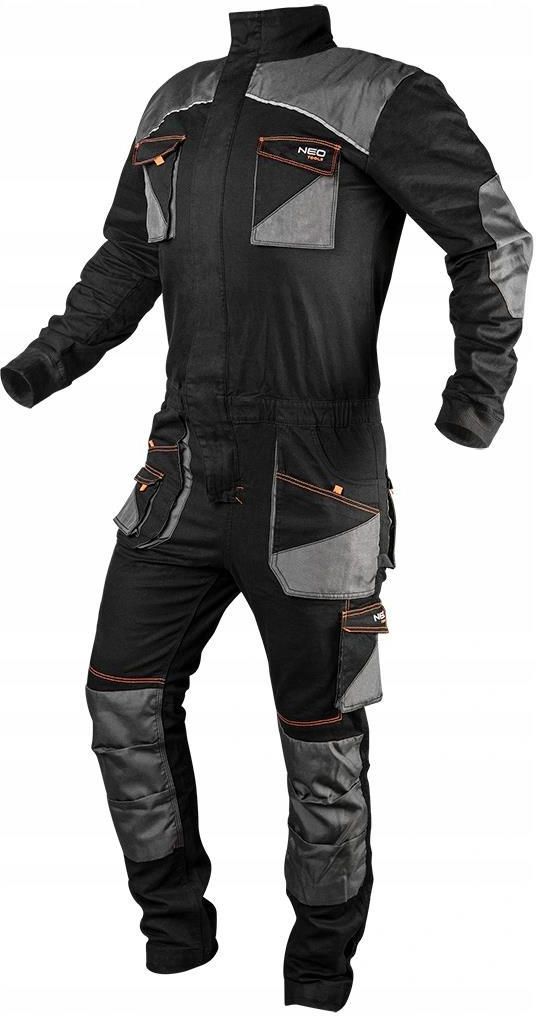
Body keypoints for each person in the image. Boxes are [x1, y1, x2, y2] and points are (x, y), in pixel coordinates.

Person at [1, 6, 531, 1011]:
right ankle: (174, 930)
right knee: (120, 699)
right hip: (179, 471)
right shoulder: (175, 100)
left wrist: (476, 393)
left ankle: (318, 967)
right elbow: (128, 257)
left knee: (321, 742)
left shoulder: (382, 93)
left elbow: (489, 235)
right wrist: (43, 363)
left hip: (316, 482)